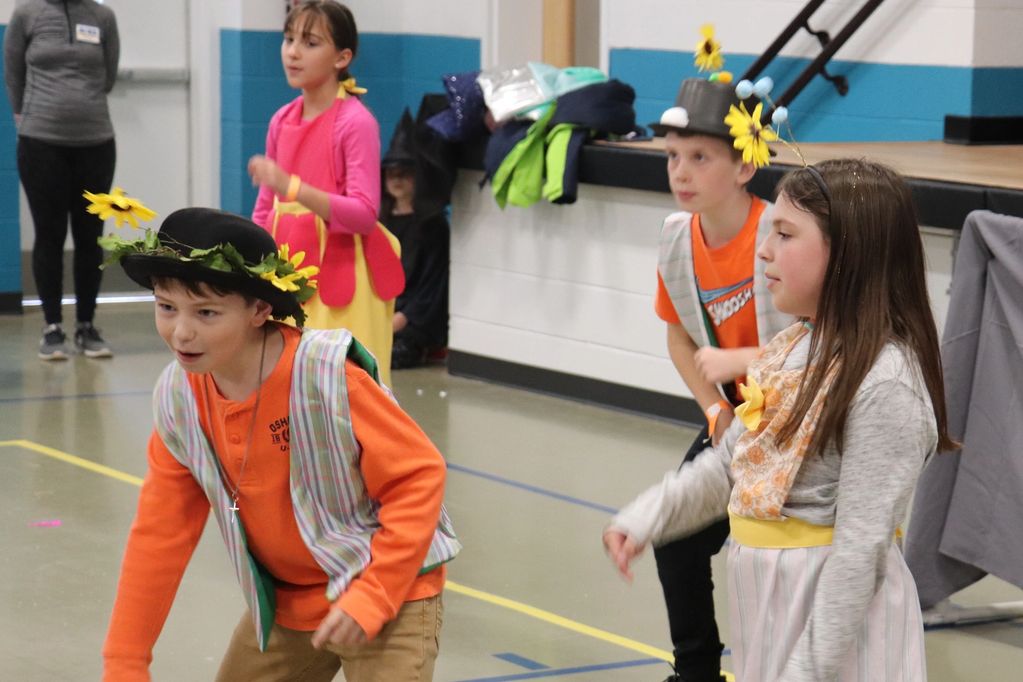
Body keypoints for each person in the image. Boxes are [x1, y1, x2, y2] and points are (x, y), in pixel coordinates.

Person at [604, 158, 955, 681]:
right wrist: (647, 516)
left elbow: (860, 551)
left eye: (785, 235)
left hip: (839, 641)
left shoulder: (884, 383)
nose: (764, 250)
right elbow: (730, 466)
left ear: (849, 253)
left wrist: (806, 670)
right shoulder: (788, 351)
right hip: (771, 619)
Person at [101, 208, 460, 681]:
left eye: (206, 313)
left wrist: (375, 593)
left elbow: (418, 476)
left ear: (259, 310)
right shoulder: (179, 397)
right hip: (292, 603)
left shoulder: (326, 374)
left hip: (389, 587)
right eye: (166, 307)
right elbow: (159, 534)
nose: (181, 331)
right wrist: (125, 661)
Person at [642, 77, 792, 682]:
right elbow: (680, 337)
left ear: (744, 167)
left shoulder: (781, 234)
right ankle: (697, 672)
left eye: (700, 157)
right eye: (673, 156)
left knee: (777, 554)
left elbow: (819, 347)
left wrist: (743, 363)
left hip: (800, 417)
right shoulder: (677, 236)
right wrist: (714, 408)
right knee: (675, 533)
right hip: (739, 417)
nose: (681, 172)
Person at [249, 0, 403, 386]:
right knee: (286, 383)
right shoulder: (281, 120)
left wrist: (293, 187)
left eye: (310, 43)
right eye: (289, 39)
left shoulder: (355, 122)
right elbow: (265, 210)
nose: (293, 52)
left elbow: (363, 213)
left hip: (343, 275)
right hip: (289, 274)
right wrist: (253, 270)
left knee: (343, 386)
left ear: (342, 57)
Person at [3, 0, 119, 360]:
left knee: (90, 237)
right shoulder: (26, 14)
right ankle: (52, 327)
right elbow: (13, 75)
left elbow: (109, 77)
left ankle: (86, 325)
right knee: (49, 235)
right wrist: (30, 118)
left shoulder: (102, 16)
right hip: (40, 143)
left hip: (96, 143)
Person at [380, 109, 450, 369]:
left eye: (405, 172)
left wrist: (402, 319)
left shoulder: (433, 227)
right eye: (391, 173)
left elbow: (433, 286)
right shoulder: (378, 223)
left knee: (393, 355)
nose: (397, 179)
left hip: (415, 321)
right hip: (382, 311)